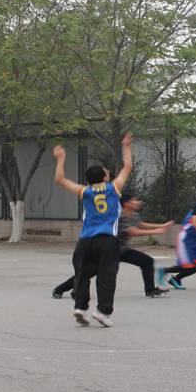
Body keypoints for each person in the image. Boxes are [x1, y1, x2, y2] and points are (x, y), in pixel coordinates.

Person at [53, 134, 133, 328]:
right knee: (106, 275)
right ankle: (103, 311)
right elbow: (127, 167)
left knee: (82, 273)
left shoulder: (85, 191)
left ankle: (80, 307)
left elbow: (60, 179)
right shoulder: (113, 188)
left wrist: (60, 159)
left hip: (85, 240)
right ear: (105, 177)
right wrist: (126, 147)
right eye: (106, 171)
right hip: (107, 240)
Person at [52, 191, 173, 299]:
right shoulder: (119, 216)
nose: (138, 202)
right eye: (135, 200)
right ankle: (59, 289)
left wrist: (161, 225)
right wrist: (157, 231)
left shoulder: (132, 214)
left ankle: (150, 290)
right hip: (107, 251)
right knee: (87, 273)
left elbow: (140, 224)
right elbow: (132, 231)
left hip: (122, 250)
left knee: (147, 261)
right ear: (126, 203)